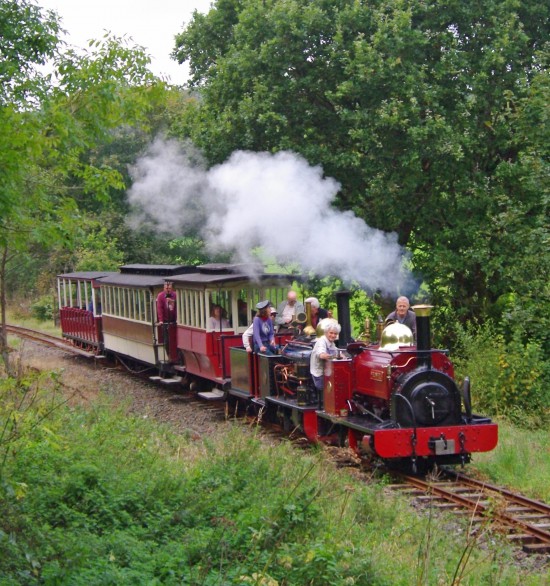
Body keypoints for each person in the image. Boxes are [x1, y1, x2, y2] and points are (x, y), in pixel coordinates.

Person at [310, 321, 341, 395]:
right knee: (328, 391)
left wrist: (345, 357)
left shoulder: (331, 343)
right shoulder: (321, 341)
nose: (333, 335)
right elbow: (321, 355)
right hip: (319, 374)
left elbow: (337, 352)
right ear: (326, 333)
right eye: (331, 333)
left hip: (327, 371)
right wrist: (335, 357)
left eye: (335, 334)